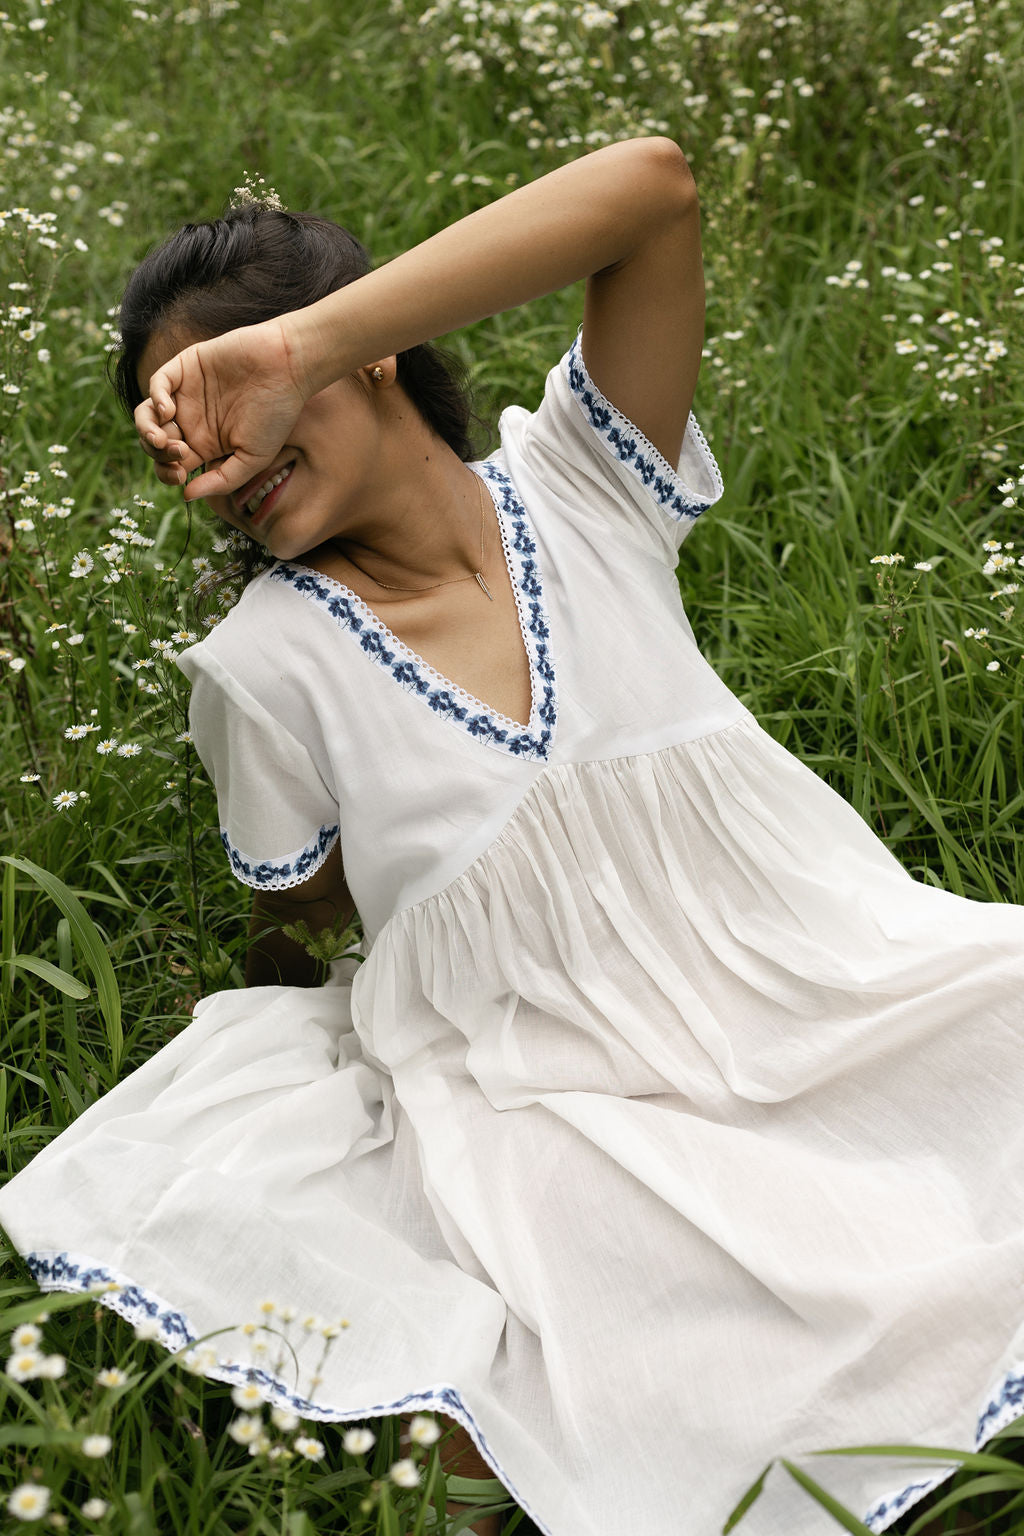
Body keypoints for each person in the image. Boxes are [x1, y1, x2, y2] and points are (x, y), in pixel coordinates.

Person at [2, 136, 1024, 1536]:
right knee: (672, 1295)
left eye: (238, 391)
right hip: (554, 1080)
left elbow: (654, 188)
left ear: (366, 350)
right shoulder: (266, 666)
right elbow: (302, 915)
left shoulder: (586, 484)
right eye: (184, 434)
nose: (219, 457)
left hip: (814, 979)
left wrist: (296, 341)